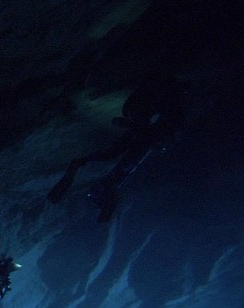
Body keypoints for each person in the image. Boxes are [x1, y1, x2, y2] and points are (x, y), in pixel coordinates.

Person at [47, 76, 186, 212]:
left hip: (142, 131)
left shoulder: (158, 106)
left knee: (122, 156)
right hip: (141, 131)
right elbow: (141, 124)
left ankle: (102, 187)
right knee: (121, 156)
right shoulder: (153, 103)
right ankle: (101, 187)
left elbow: (151, 128)